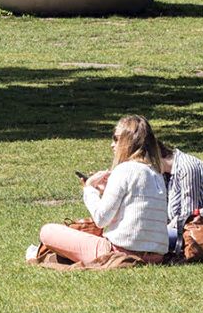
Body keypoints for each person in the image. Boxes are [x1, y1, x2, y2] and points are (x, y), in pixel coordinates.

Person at [28, 114, 170, 268]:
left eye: (116, 139)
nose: (112, 145)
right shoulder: (156, 174)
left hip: (121, 252)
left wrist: (89, 189)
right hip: (156, 256)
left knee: (47, 231)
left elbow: (101, 219)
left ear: (127, 142)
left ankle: (35, 254)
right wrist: (105, 192)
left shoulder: (124, 169)